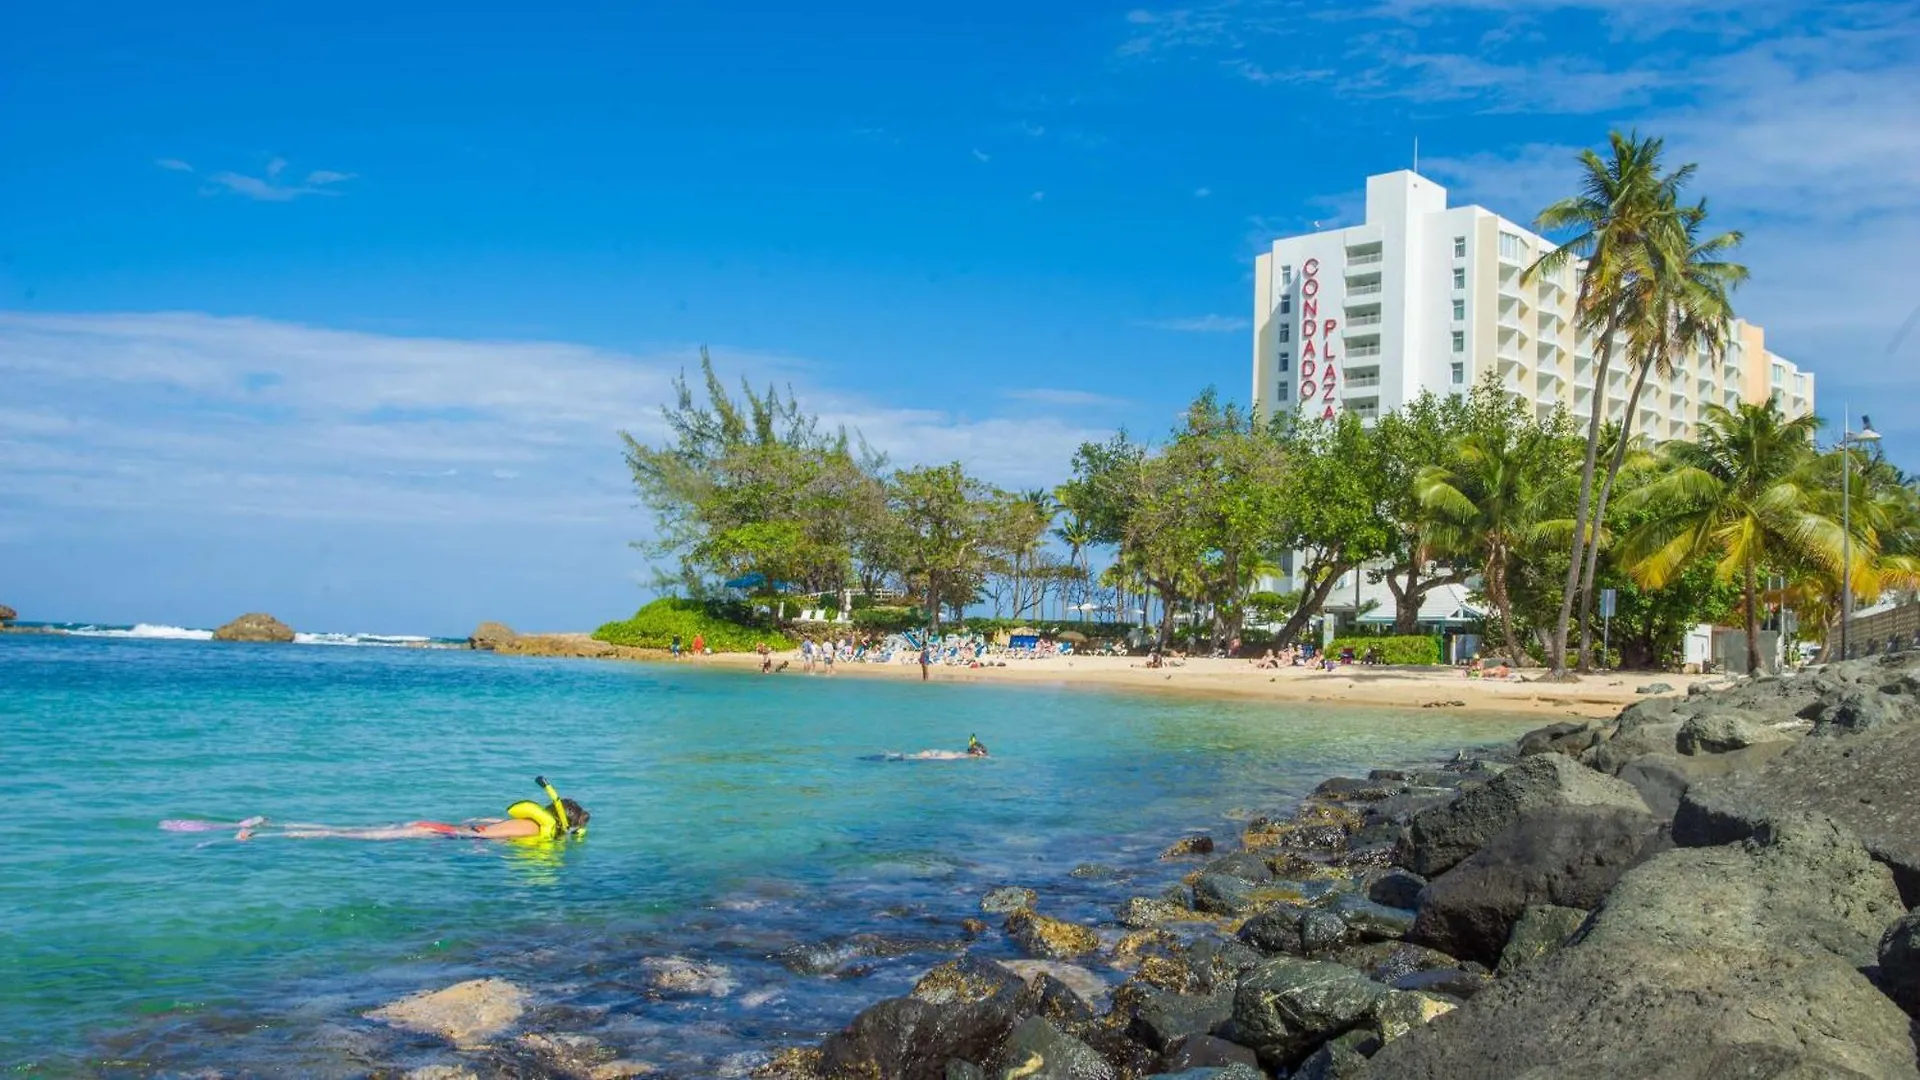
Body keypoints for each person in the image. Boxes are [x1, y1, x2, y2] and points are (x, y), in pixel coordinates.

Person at [236, 778, 589, 842]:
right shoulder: (532, 828)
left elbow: (483, 822)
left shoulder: (533, 820)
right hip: (437, 831)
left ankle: (271, 824)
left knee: (354, 830)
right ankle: (267, 834)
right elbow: (486, 833)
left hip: (441, 828)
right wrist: (442, 833)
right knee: (351, 836)